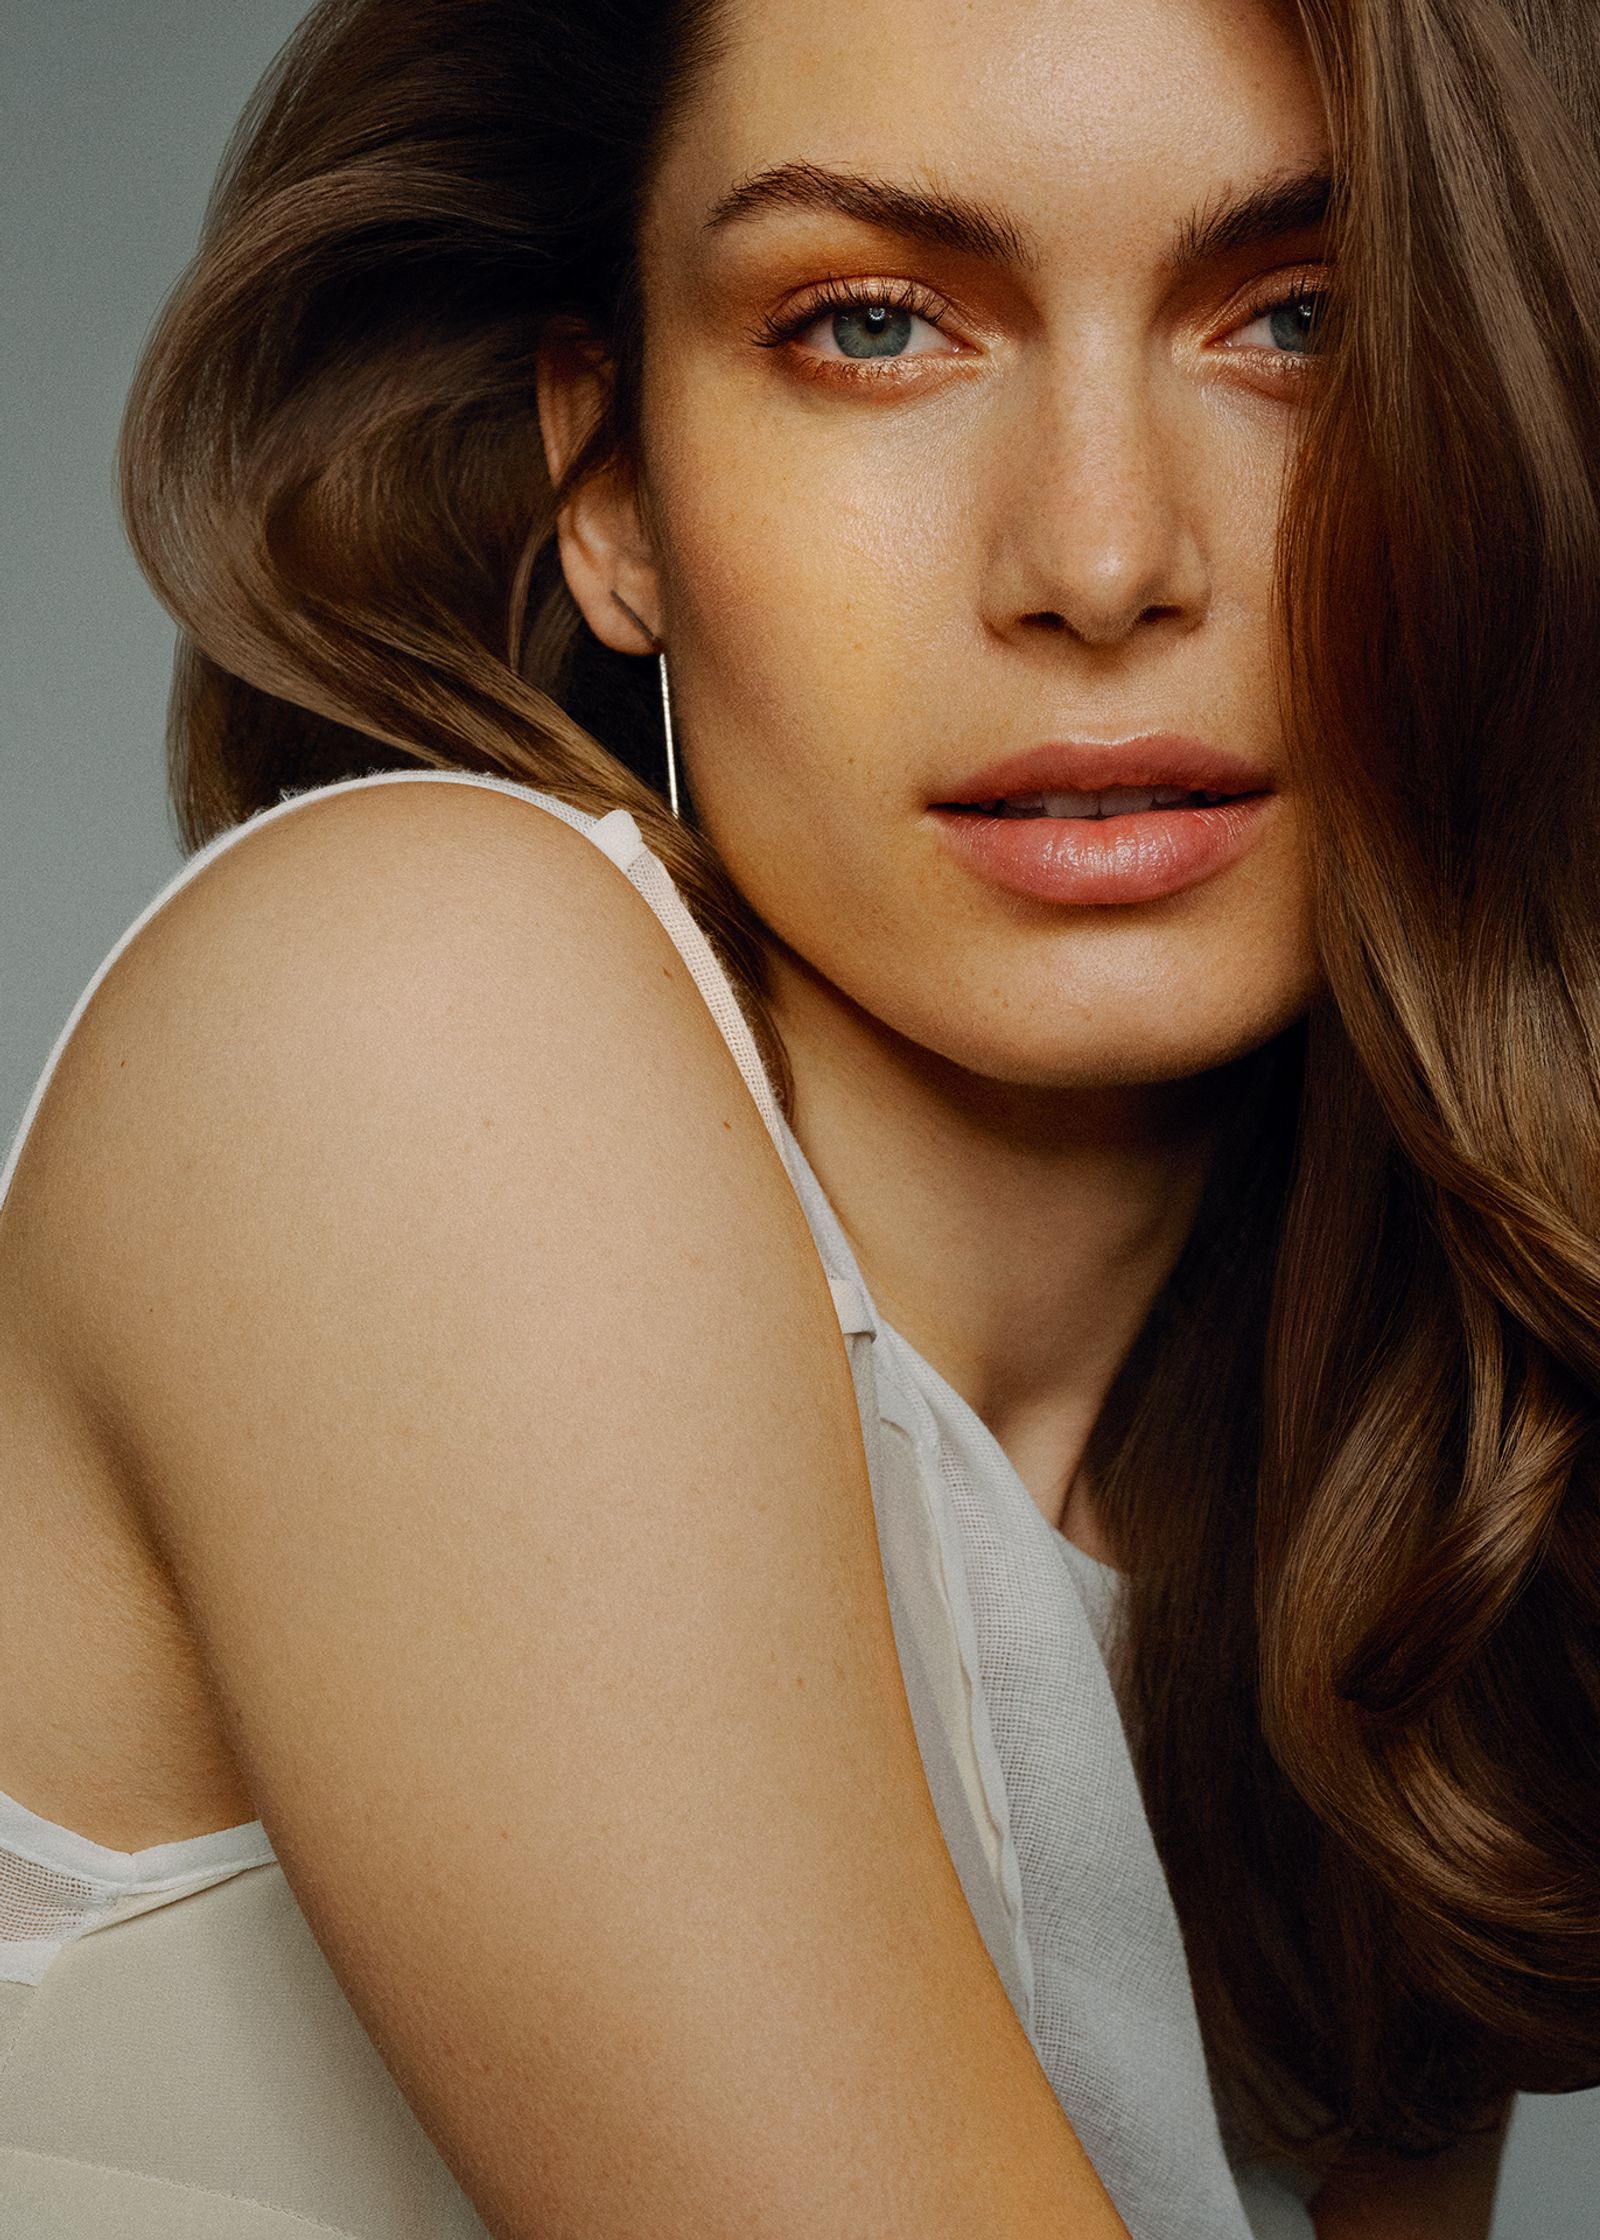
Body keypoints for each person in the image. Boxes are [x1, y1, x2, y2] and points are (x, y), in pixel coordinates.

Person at [1, 0, 1595, 2232]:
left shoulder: (1352, 1508)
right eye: (870, 325)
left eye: (1298, 324)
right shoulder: (410, 1013)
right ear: (612, 489)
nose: (1103, 557)